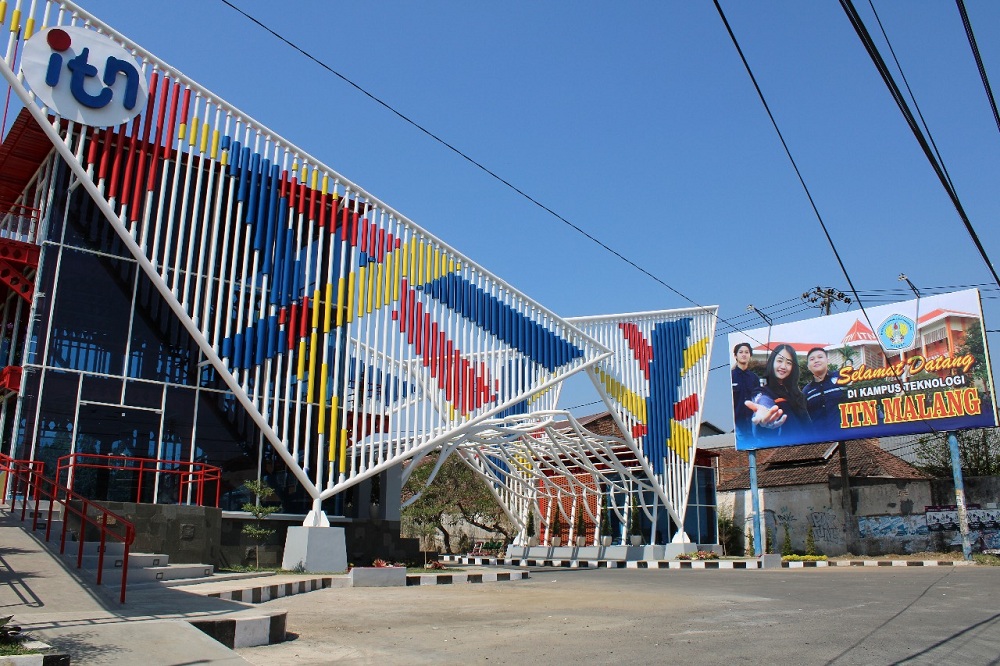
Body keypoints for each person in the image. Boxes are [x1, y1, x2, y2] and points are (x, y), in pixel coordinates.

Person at [745, 344, 811, 443]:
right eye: (780, 361)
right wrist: (766, 414)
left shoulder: (799, 395)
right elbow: (763, 402)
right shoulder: (763, 391)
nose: (783, 366)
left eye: (789, 363)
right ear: (772, 362)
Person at [802, 347, 845, 434]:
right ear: (808, 366)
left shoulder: (842, 378)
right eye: (812, 359)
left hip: (847, 436)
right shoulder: (806, 391)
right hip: (822, 441)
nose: (816, 360)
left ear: (827, 360)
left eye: (820, 357)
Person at [731, 342, 760, 441]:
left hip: (754, 424)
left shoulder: (754, 378)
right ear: (735, 355)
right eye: (741, 352)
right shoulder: (730, 376)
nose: (744, 354)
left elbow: (758, 400)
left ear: (750, 356)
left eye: (747, 352)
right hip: (738, 424)